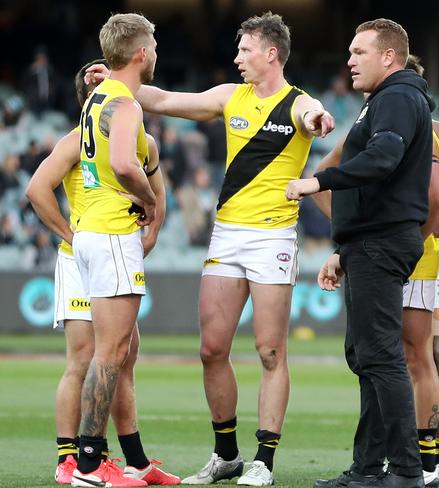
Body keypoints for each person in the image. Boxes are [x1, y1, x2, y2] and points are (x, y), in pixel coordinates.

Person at [87, 11, 334, 486]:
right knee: (211, 349)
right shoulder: (229, 96)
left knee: (269, 351)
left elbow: (312, 113)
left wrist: (318, 117)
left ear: (271, 54)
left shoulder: (300, 103)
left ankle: (264, 460)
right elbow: (163, 98)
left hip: (273, 237)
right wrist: (115, 80)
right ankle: (227, 456)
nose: (237, 57)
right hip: (228, 235)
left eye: (245, 50)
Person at [286, 19, 434, 488]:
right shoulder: (390, 99)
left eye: (359, 52)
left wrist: (318, 181)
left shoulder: (395, 98)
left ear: (388, 57)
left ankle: (407, 471)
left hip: (382, 241)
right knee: (368, 354)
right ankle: (368, 468)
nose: (349, 60)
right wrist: (345, 248)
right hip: (370, 241)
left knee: (382, 356)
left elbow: (384, 159)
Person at [308, 55, 439, 487]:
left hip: (400, 247)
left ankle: (415, 463)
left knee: (399, 356)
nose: (352, 63)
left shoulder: (406, 120)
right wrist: (347, 236)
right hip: (401, 245)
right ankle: (419, 460)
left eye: (361, 55)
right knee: (405, 356)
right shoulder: (416, 126)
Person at [25, 58, 178, 486]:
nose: (100, 75)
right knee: (87, 358)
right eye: (93, 74)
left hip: (110, 243)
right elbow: (36, 189)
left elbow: (156, 185)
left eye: (104, 70)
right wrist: (69, 236)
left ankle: (133, 460)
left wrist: (154, 227)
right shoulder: (77, 139)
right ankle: (72, 459)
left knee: (122, 356)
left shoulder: (140, 136)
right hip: (87, 251)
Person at [68, 13, 160, 487]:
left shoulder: (98, 98)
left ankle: (137, 462)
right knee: (110, 354)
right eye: (154, 44)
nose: (157, 52)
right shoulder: (125, 104)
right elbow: (126, 164)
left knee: (124, 351)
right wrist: (148, 200)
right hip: (112, 232)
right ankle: (87, 465)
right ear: (141, 53)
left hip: (89, 231)